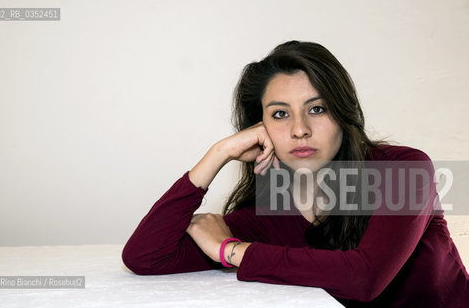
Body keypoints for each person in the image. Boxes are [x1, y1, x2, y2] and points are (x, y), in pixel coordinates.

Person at [122, 41, 469, 307]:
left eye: (317, 109)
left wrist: (231, 251)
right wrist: (219, 153)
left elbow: (365, 278)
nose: (300, 129)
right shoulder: (268, 214)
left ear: (343, 113)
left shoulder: (403, 170)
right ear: (259, 127)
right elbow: (146, 256)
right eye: (280, 114)